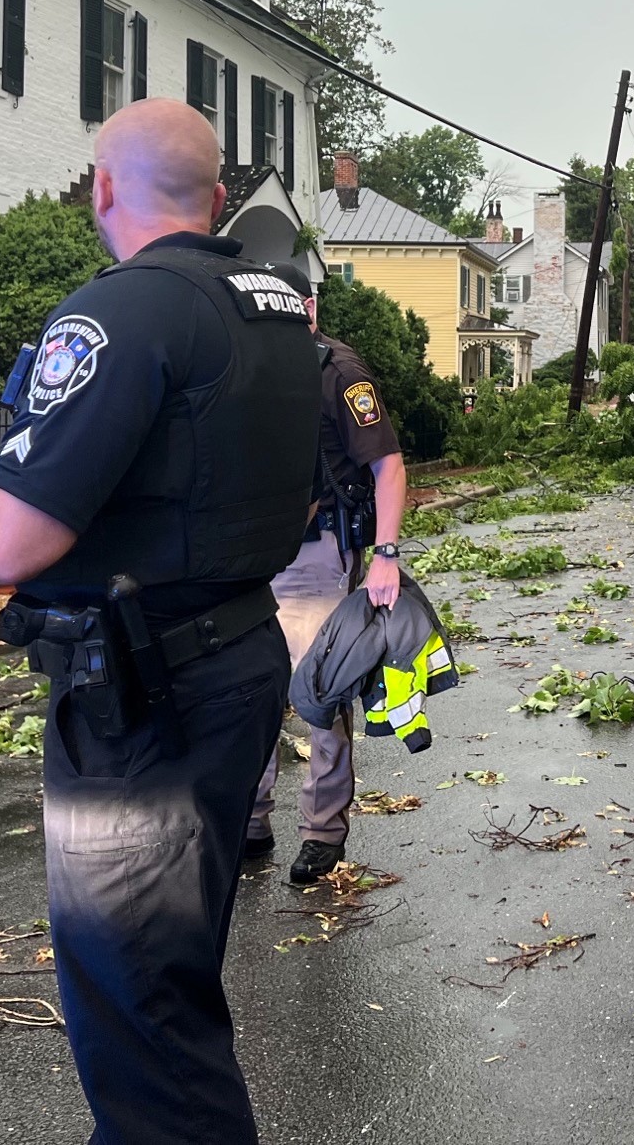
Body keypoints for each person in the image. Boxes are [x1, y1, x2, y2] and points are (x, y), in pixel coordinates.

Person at [0, 98, 320, 1145]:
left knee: (139, 1016)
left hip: (144, 699)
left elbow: (5, 539)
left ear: (100, 187)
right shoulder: (272, 308)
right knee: (165, 978)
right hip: (232, 659)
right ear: (219, 197)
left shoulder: (124, 312)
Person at [246, 271, 408, 886]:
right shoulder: (250, 364)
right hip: (253, 559)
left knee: (319, 692)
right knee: (252, 691)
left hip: (318, 558)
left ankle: (321, 833)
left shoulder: (338, 370)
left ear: (308, 306)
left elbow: (388, 466)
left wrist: (386, 553)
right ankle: (251, 821)